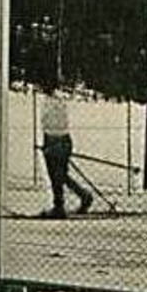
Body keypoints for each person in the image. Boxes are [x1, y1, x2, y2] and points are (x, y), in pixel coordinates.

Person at [39, 89, 92, 218]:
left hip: (55, 138)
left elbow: (49, 121)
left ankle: (60, 205)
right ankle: (83, 195)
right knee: (60, 175)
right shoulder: (56, 99)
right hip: (60, 138)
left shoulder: (53, 100)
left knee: (57, 175)